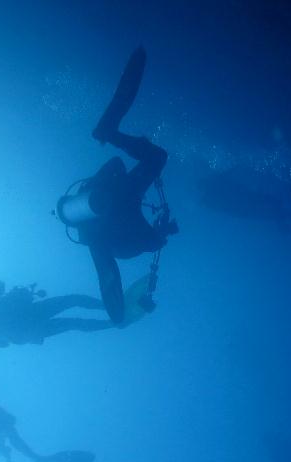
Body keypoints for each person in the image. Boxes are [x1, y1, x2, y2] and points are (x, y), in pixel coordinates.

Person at [59, 47, 178, 324]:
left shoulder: (99, 238)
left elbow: (108, 277)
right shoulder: (99, 232)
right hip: (117, 191)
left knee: (157, 158)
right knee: (155, 158)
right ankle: (109, 133)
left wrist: (117, 315)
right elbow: (115, 164)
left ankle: (108, 132)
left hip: (119, 198)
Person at [0, 281, 110, 347]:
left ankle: (112, 323)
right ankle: (107, 306)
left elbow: (2, 345)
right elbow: (0, 285)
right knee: (72, 300)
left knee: (72, 322)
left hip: (24, 332)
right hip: (28, 314)